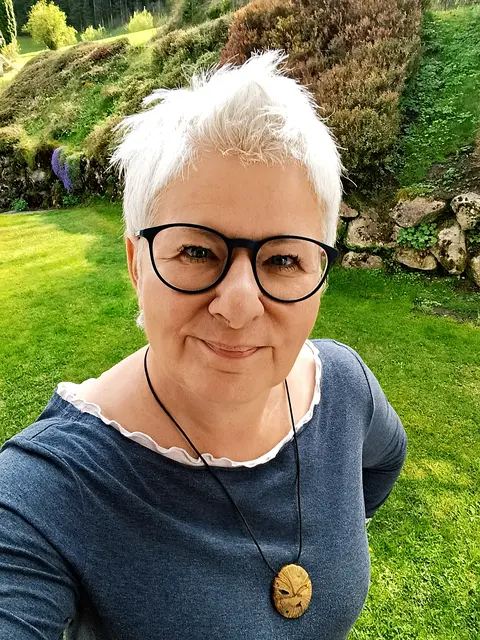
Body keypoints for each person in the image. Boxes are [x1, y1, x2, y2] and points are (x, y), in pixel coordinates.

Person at [0, 49, 407, 639]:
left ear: (320, 274)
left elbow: (385, 460)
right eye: (195, 250)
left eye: (284, 259)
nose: (239, 305)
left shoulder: (343, 389)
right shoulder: (43, 495)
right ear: (137, 264)